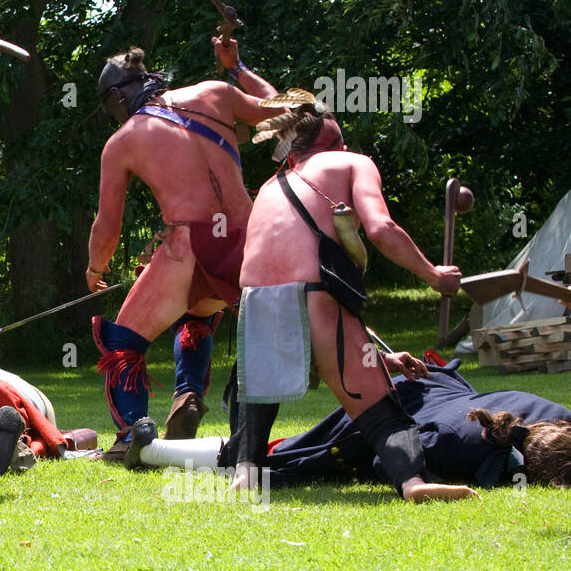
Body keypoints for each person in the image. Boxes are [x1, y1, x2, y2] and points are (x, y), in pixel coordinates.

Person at [221, 99, 475, 502]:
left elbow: (282, 280)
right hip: (318, 298)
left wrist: (378, 354)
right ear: (338, 145)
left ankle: (245, 473)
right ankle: (413, 482)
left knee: (258, 392)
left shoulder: (271, 186)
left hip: (255, 305)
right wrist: (434, 275)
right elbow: (381, 227)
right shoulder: (352, 162)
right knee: (380, 411)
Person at [86, 37, 279, 458]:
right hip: (249, 237)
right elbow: (287, 110)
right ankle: (186, 394)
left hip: (188, 244)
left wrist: (95, 268)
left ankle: (131, 437)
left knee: (122, 343)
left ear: (119, 96)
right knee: (196, 315)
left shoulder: (123, 141)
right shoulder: (215, 91)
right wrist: (237, 66)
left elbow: (107, 227)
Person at [126, 358, 571, 490]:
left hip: (426, 387)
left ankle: (154, 450)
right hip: (399, 412)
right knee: (287, 457)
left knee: (288, 447)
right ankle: (150, 453)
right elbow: (390, 462)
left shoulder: (555, 414)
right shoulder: (473, 445)